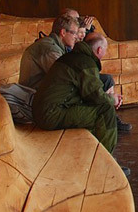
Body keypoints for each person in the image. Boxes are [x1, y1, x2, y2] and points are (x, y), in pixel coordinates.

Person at [32, 34, 130, 176]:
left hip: (43, 111)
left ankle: (89, 158)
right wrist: (112, 100)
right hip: (51, 114)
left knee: (94, 111)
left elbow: (87, 94)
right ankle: (105, 165)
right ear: (99, 50)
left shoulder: (72, 57)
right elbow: (96, 96)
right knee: (105, 111)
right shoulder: (85, 63)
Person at [61, 7, 132, 132]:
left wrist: (87, 30)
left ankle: (111, 117)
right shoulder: (65, 40)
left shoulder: (74, 37)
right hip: (69, 86)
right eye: (74, 20)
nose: (78, 22)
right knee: (99, 84)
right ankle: (108, 117)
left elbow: (89, 45)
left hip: (76, 78)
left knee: (107, 80)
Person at [19, 14, 79, 90]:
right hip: (32, 93)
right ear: (63, 32)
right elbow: (64, 77)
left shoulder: (56, 45)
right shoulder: (50, 49)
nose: (76, 37)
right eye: (74, 33)